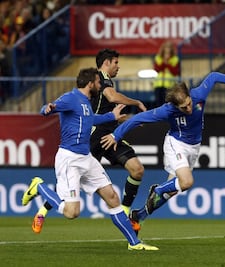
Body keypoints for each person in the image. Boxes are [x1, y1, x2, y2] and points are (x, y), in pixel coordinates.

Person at [21, 68, 158, 251]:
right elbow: (49, 108)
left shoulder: (85, 102)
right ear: (90, 83)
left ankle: (135, 243)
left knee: (112, 197)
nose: (100, 85)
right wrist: (48, 109)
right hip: (70, 159)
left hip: (86, 158)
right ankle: (39, 187)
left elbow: (90, 119)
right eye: (98, 82)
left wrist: (112, 117)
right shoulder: (70, 98)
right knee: (72, 212)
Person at [100, 72, 225, 226]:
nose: (188, 108)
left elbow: (214, 76)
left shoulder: (198, 95)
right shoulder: (167, 110)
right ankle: (158, 189)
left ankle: (139, 216)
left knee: (173, 190)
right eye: (183, 107)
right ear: (175, 105)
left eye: (189, 103)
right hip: (176, 144)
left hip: (194, 147)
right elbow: (138, 118)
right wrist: (116, 135)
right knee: (186, 182)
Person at [32, 49, 146, 234]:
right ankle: (43, 210)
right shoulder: (100, 78)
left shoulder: (99, 87)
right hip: (92, 137)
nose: (118, 66)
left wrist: (131, 120)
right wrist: (137, 102)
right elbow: (112, 97)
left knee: (137, 169)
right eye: (116, 62)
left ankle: (124, 212)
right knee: (69, 182)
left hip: (109, 134)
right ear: (106, 63)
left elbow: (103, 115)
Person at [153, 41, 180, 108]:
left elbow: (175, 72)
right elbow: (157, 69)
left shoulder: (175, 59)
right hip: (158, 84)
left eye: (169, 48)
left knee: (168, 103)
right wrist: (164, 61)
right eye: (166, 48)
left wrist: (168, 63)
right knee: (158, 102)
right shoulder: (158, 58)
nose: (167, 50)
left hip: (169, 85)